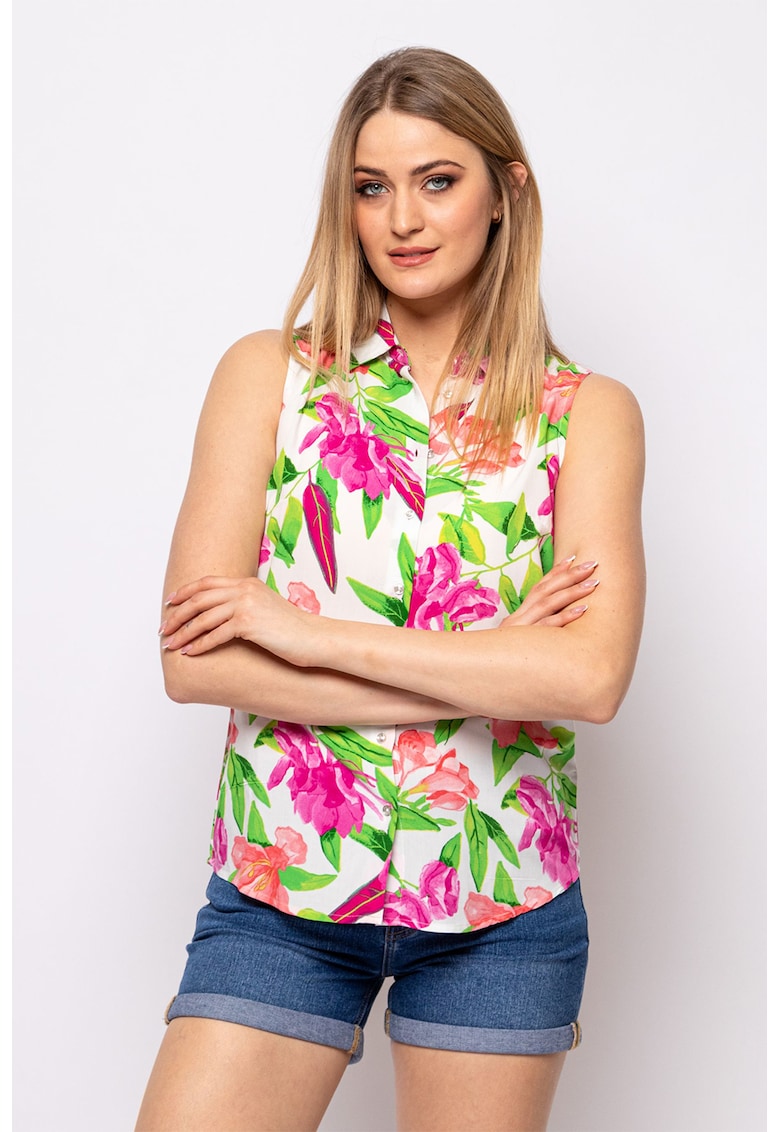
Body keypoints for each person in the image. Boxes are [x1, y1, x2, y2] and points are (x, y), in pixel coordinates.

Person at [135, 46, 645, 1132]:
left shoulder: (586, 413)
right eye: (372, 187)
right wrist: (498, 662)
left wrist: (302, 633)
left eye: (437, 181)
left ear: (506, 192)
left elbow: (590, 680)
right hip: (280, 895)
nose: (403, 219)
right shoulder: (268, 378)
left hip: (504, 906)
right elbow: (193, 660)